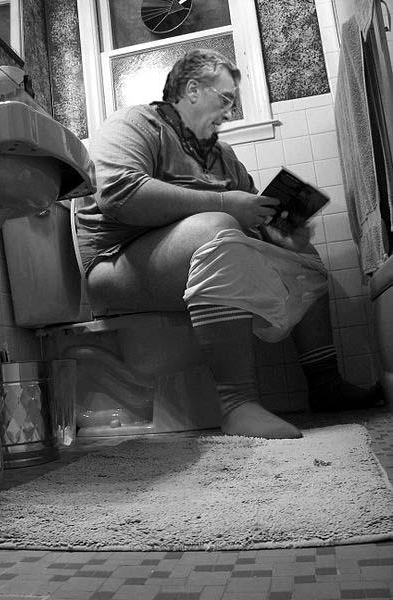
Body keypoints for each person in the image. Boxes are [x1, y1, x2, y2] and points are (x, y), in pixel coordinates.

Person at [76, 48, 383, 439]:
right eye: (222, 97)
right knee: (217, 227)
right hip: (118, 264)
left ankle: (325, 384)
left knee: (303, 255)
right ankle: (237, 404)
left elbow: (250, 221)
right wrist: (225, 204)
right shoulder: (135, 123)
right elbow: (119, 194)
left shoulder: (223, 156)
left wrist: (282, 233)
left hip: (187, 256)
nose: (229, 109)